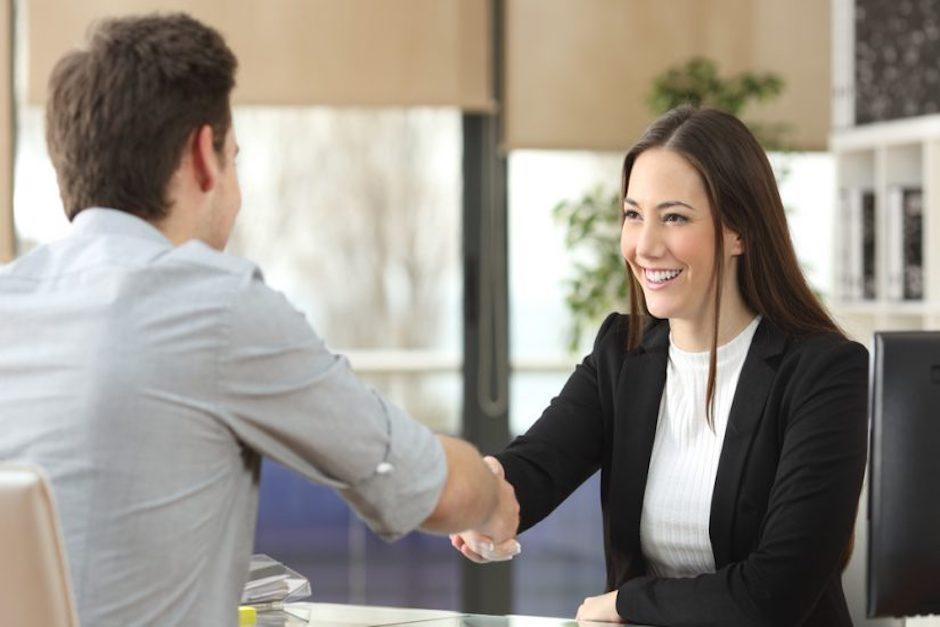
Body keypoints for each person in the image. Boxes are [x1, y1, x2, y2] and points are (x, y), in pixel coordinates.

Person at [0, 13, 518, 626]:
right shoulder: (214, 308)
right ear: (203, 156)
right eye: (234, 159)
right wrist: (492, 500)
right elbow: (433, 490)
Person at [451, 106, 868, 626]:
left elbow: (773, 594)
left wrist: (628, 602)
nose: (645, 246)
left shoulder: (824, 374)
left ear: (739, 232)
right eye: (633, 214)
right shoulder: (622, 354)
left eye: (674, 217)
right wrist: (486, 493)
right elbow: (537, 465)